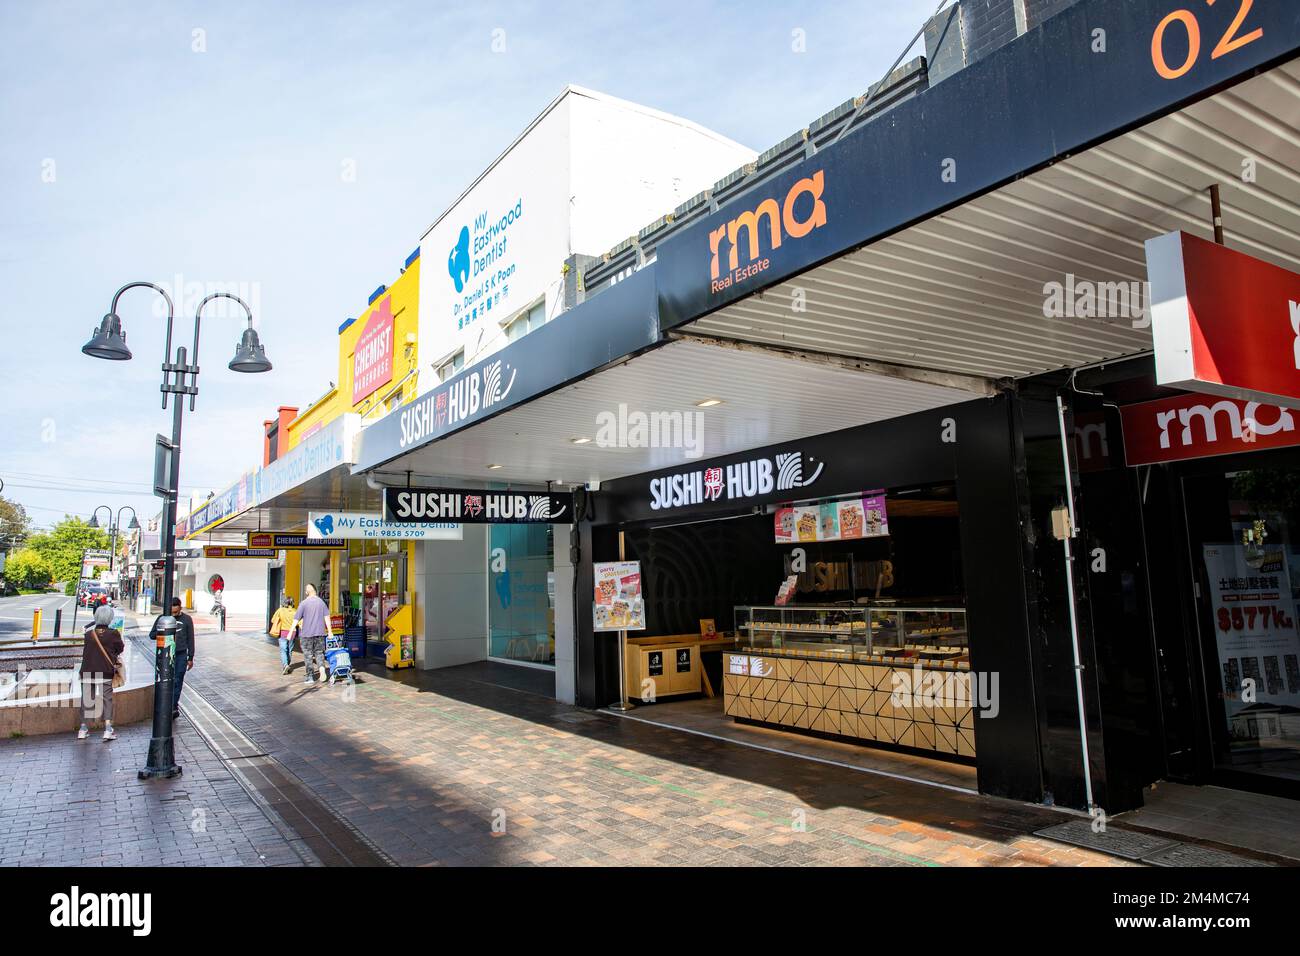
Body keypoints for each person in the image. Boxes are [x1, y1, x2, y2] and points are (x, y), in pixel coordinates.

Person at [78, 604, 124, 741]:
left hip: (87, 671)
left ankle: (83, 729)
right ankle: (108, 729)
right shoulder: (113, 634)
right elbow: (120, 648)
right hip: (104, 671)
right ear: (110, 618)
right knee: (107, 699)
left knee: (87, 700)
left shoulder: (88, 634)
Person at [149, 597, 195, 719]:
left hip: (181, 654)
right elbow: (152, 635)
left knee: (178, 680)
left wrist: (191, 656)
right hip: (165, 654)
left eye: (176, 612)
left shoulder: (187, 619)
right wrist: (164, 631)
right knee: (165, 681)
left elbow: (191, 638)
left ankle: (173, 706)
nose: (173, 615)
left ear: (180, 607)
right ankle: (165, 706)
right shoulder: (162, 618)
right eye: (172, 612)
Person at [294, 583, 332, 685]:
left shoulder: (304, 603)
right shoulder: (321, 602)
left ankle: (310, 676)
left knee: (308, 655)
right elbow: (327, 618)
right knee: (319, 653)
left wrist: (290, 631)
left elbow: (296, 618)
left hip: (306, 634)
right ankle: (322, 669)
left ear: (306, 592)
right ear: (315, 591)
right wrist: (330, 632)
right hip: (320, 633)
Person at [268, 595, 297, 675]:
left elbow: (273, 620)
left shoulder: (280, 610)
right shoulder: (295, 611)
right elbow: (299, 622)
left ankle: (285, 665)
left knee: (283, 650)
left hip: (283, 632)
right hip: (292, 633)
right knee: (290, 650)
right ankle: (287, 664)